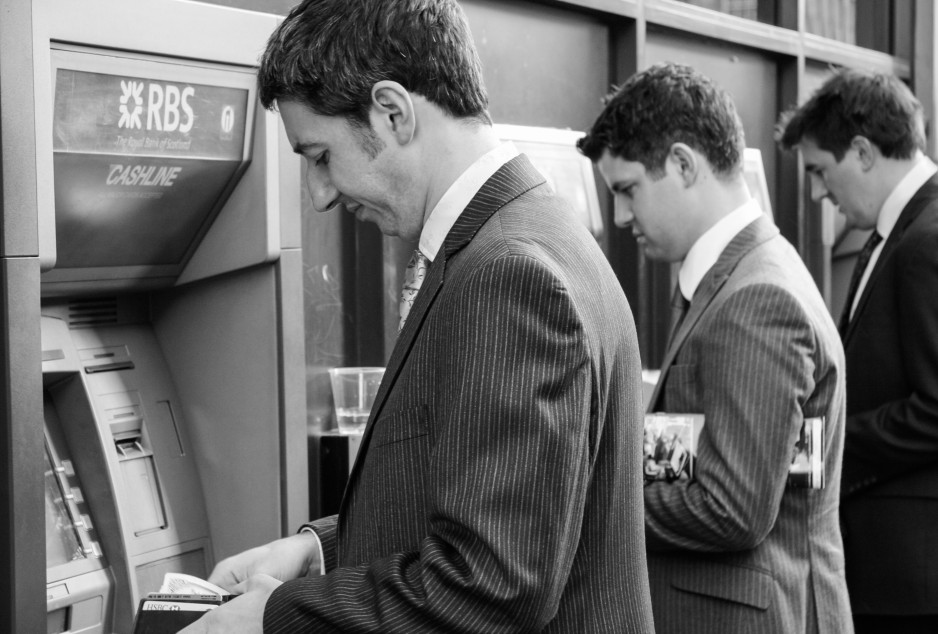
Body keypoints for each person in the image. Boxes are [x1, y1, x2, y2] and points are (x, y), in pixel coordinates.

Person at [181, 1, 655, 632]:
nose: (319, 195)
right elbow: (462, 493)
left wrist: (274, 618)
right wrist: (321, 549)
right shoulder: (519, 235)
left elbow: (490, 586)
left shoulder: (507, 274)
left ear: (393, 111)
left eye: (319, 157)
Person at [578, 62, 853, 634]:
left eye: (628, 190)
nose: (621, 216)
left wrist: (581, 496)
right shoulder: (748, 276)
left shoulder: (755, 300)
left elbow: (732, 509)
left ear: (682, 163)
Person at [778, 68, 938, 634]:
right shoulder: (904, 232)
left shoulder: (925, 239)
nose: (821, 192)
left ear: (864, 153)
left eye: (822, 171)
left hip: (909, 581)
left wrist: (823, 442)